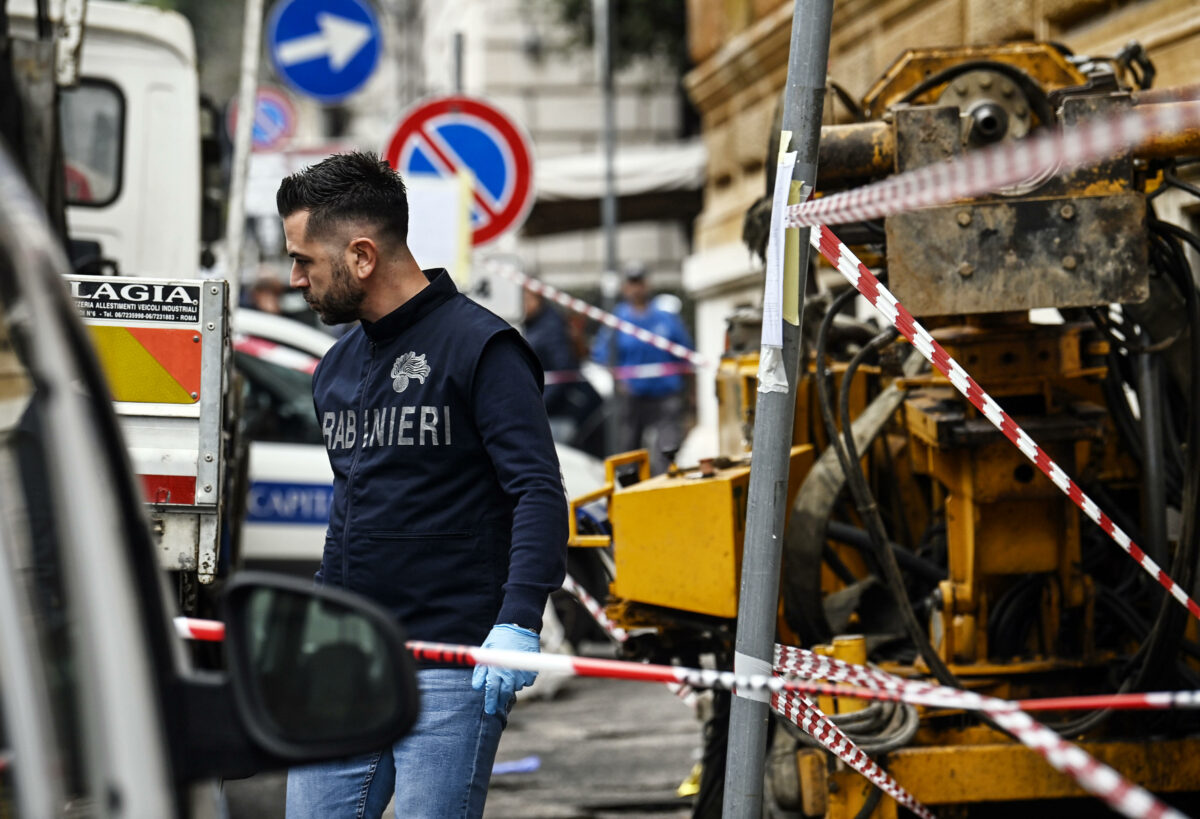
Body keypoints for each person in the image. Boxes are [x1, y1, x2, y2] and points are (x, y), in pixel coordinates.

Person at [276, 151, 568, 819]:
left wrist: (519, 619)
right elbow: (349, 514)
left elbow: (538, 492)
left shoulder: (483, 348)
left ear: (360, 256)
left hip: (451, 664)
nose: (295, 278)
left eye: (304, 260)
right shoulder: (336, 369)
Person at [590, 261, 693, 474]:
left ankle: (667, 493)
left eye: (640, 283)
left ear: (647, 285)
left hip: (665, 395)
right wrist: (619, 382)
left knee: (667, 451)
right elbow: (601, 355)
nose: (637, 289)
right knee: (629, 455)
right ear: (625, 287)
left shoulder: (665, 316)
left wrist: (691, 393)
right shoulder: (618, 319)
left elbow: (685, 353)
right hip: (632, 397)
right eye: (632, 283)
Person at [522, 285, 605, 458]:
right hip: (557, 410)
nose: (521, 304)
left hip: (563, 412)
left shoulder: (550, 327)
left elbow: (564, 371)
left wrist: (538, 405)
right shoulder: (536, 325)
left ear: (538, 299)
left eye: (526, 299)